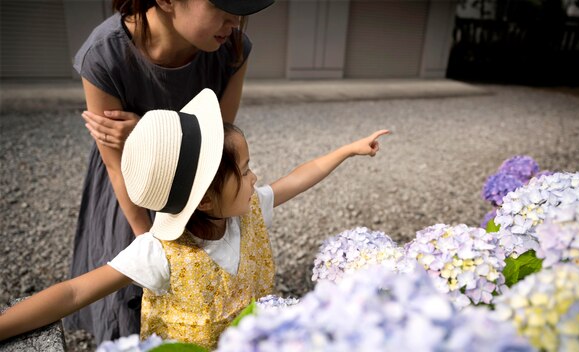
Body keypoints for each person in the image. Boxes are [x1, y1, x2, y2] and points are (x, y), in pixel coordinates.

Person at [0, 89, 390, 349]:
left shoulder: (247, 212)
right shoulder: (161, 253)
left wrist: (346, 150)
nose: (256, 177)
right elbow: (74, 292)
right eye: (246, 169)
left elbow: (298, 178)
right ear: (204, 199)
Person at [67, 0, 274, 343]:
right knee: (133, 288)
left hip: (205, 177)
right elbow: (116, 164)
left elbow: (218, 138)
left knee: (210, 293)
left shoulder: (232, 48)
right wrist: (149, 239)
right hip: (133, 186)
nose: (235, 22)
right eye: (221, 6)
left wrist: (143, 128)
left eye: (238, 9)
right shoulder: (104, 55)